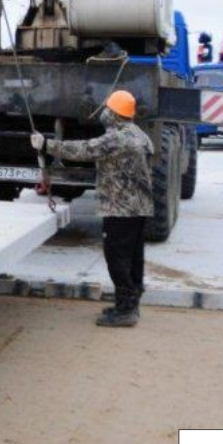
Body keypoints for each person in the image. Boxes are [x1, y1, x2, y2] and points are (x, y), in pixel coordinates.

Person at [32, 90, 154, 327]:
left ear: (115, 114)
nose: (104, 113)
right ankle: (129, 303)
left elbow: (83, 150)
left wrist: (46, 144)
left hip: (120, 209)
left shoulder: (116, 139)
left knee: (117, 257)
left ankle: (126, 310)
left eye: (108, 109)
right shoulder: (140, 135)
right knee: (133, 257)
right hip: (140, 207)